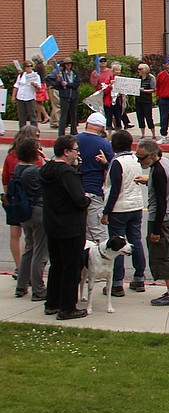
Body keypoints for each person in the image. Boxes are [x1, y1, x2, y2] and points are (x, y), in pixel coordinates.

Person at [40, 135, 89, 319]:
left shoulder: (47, 170)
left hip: (52, 225)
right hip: (70, 227)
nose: (77, 153)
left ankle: (52, 302)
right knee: (71, 267)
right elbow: (79, 199)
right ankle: (68, 307)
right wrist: (87, 200)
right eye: (75, 150)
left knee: (57, 265)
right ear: (66, 152)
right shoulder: (67, 174)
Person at [136, 139, 169, 306]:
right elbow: (162, 187)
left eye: (141, 158)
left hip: (160, 219)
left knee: (161, 256)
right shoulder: (165, 163)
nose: (139, 161)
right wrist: (148, 182)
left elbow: (161, 201)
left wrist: (155, 230)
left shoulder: (157, 171)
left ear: (152, 155)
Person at [102, 129, 146, 296]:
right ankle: (139, 277)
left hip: (119, 209)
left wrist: (107, 211)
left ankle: (117, 283)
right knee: (135, 241)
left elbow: (115, 189)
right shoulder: (136, 159)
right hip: (135, 206)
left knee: (118, 246)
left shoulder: (117, 162)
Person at [12, 136, 47, 301]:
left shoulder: (18, 168)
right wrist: (46, 159)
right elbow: (51, 177)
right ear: (35, 153)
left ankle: (21, 284)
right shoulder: (35, 171)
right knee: (40, 252)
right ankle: (38, 289)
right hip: (39, 212)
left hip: (25, 213)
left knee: (29, 248)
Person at [76, 112, 112, 242]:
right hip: (94, 191)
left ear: (87, 124)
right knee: (97, 233)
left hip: (75, 190)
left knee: (78, 230)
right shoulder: (105, 145)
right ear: (102, 128)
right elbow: (112, 169)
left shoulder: (73, 141)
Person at [53, 60, 80, 137]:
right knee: (63, 115)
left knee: (73, 114)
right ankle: (61, 133)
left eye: (70, 63)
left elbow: (76, 84)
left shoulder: (75, 73)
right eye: (67, 64)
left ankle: (74, 131)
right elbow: (56, 86)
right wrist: (58, 80)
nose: (68, 65)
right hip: (64, 96)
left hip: (73, 96)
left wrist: (67, 84)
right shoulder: (61, 73)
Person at [14, 60, 41, 128]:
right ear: (25, 68)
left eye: (31, 66)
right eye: (28, 66)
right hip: (21, 97)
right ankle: (22, 131)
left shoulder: (36, 76)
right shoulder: (21, 75)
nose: (29, 67)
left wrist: (35, 85)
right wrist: (13, 96)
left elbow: (39, 88)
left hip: (30, 97)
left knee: (32, 115)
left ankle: (34, 131)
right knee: (21, 116)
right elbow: (17, 85)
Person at [135, 62, 157, 140]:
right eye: (138, 69)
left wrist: (145, 90)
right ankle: (143, 134)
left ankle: (153, 134)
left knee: (148, 117)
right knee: (140, 117)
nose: (139, 71)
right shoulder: (138, 78)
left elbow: (154, 89)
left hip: (147, 100)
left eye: (140, 69)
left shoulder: (151, 78)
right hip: (138, 100)